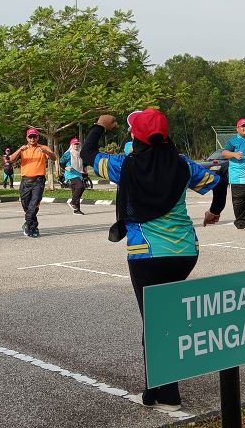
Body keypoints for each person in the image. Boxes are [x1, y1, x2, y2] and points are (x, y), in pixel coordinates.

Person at [81, 109, 227, 412]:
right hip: (185, 253)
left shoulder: (123, 166)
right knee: (167, 318)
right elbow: (219, 180)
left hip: (146, 254)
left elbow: (87, 153)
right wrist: (214, 211)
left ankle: (164, 394)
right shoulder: (182, 164)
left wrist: (100, 126)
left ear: (136, 136)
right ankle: (159, 388)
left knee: (154, 323)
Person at [9, 127, 56, 238]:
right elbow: (11, 159)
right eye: (30, 137)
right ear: (27, 138)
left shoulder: (43, 148)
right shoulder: (23, 149)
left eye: (34, 136)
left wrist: (47, 152)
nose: (32, 139)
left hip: (38, 181)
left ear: (38, 137)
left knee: (34, 204)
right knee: (26, 204)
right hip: (25, 180)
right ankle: (30, 223)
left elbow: (54, 158)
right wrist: (20, 150)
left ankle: (32, 226)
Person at [59, 137, 87, 215]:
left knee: (76, 190)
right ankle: (73, 202)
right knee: (80, 186)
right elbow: (61, 162)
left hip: (79, 173)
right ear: (71, 145)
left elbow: (84, 164)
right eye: (75, 144)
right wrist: (65, 167)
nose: (76, 145)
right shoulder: (68, 153)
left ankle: (76, 210)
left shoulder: (80, 153)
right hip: (70, 174)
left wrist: (85, 171)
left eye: (77, 144)